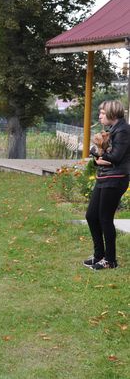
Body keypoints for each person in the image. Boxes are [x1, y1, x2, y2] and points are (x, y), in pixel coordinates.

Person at [84, 100, 130, 270]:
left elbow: (116, 157)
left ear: (112, 113)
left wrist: (98, 152)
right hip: (104, 177)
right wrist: (98, 157)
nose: (100, 116)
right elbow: (100, 161)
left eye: (102, 113)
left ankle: (110, 260)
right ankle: (99, 255)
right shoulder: (112, 130)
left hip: (116, 179)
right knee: (91, 216)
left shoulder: (124, 131)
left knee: (105, 218)